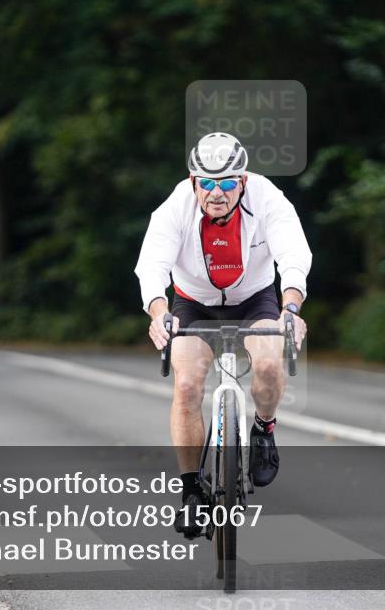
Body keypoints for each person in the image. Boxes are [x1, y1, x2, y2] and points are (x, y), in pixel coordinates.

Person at [134, 132, 311, 538]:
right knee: (188, 386)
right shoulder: (174, 208)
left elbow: (293, 253)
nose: (217, 192)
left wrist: (291, 308)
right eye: (207, 182)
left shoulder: (268, 197)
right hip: (192, 302)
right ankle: (192, 491)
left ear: (243, 181)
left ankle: (263, 430)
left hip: (255, 298)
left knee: (269, 362)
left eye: (228, 182)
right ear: (193, 181)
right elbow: (152, 265)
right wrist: (159, 312)